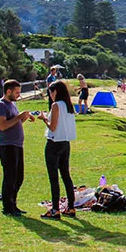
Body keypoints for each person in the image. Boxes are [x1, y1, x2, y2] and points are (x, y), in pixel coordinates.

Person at [0, 79, 35, 216]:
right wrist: (18, 117)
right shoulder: (0, 106)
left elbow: (15, 122)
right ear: (8, 91)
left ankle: (13, 204)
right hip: (7, 146)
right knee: (10, 177)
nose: (19, 95)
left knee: (19, 177)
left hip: (17, 145)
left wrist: (24, 117)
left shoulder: (12, 105)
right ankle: (7, 207)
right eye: (17, 92)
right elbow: (3, 126)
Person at [39, 80, 78, 219]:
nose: (50, 95)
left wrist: (44, 118)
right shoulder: (68, 105)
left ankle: (55, 209)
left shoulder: (56, 105)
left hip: (54, 143)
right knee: (66, 175)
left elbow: (53, 126)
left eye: (51, 92)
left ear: (55, 92)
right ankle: (71, 207)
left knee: (53, 177)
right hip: (65, 143)